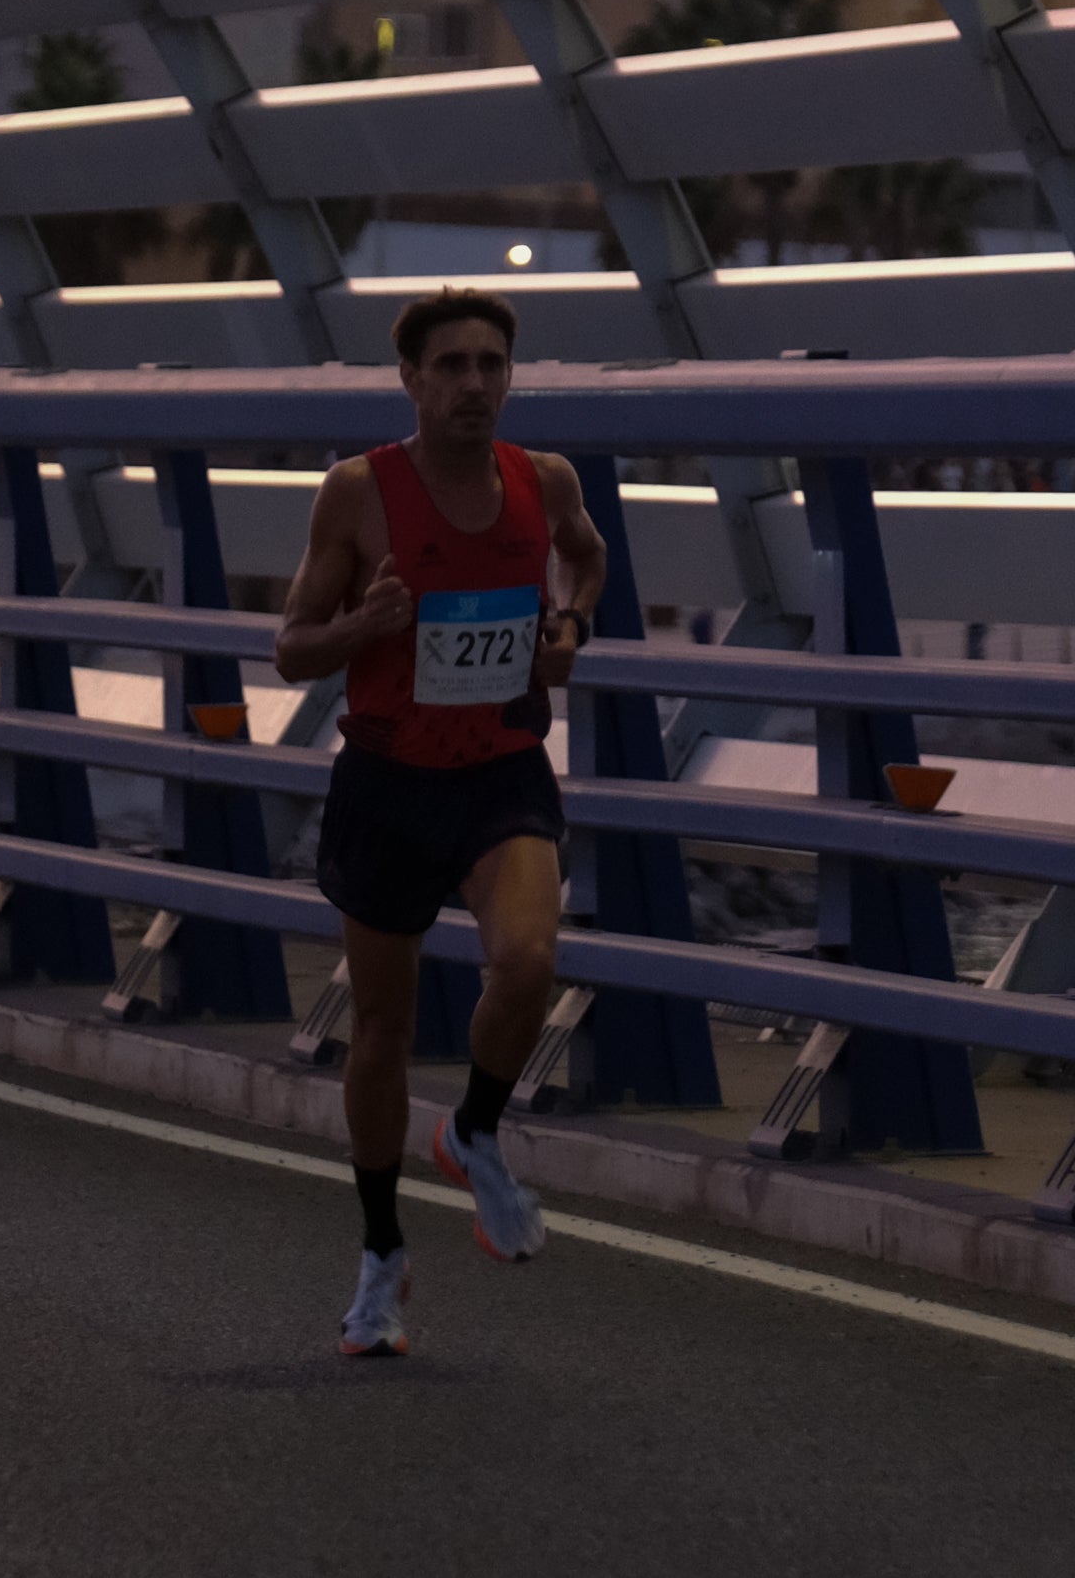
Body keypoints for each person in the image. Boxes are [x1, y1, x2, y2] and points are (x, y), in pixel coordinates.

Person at [274, 287, 607, 1357]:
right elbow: (291, 646)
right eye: (452, 365)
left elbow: (585, 555)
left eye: (492, 364)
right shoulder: (358, 494)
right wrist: (363, 624)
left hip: (500, 770)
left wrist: (570, 623)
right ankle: (380, 1257)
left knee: (528, 961)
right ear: (411, 381)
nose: (474, 384)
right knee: (382, 1028)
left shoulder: (542, 480)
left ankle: (473, 1128)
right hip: (387, 782)